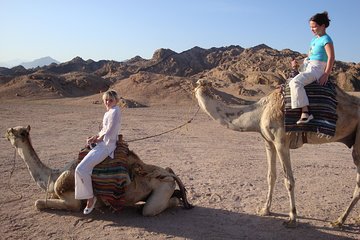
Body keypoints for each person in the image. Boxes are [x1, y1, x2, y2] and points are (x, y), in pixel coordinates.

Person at [75, 89, 122, 214]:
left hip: (107, 146)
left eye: (110, 100)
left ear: (116, 100)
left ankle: (90, 198)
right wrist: (94, 137)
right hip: (102, 143)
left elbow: (111, 129)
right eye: (106, 100)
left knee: (81, 169)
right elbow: (105, 129)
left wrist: (99, 139)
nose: (107, 102)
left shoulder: (116, 110)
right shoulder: (108, 112)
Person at [289, 11, 335, 124]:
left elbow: (331, 57)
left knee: (295, 83)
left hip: (317, 69)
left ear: (323, 26)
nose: (312, 29)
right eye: (310, 27)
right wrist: (298, 63)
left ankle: (306, 112)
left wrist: (326, 74)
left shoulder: (326, 39)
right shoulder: (314, 40)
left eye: (314, 26)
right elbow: (309, 57)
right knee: (289, 80)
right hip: (308, 66)